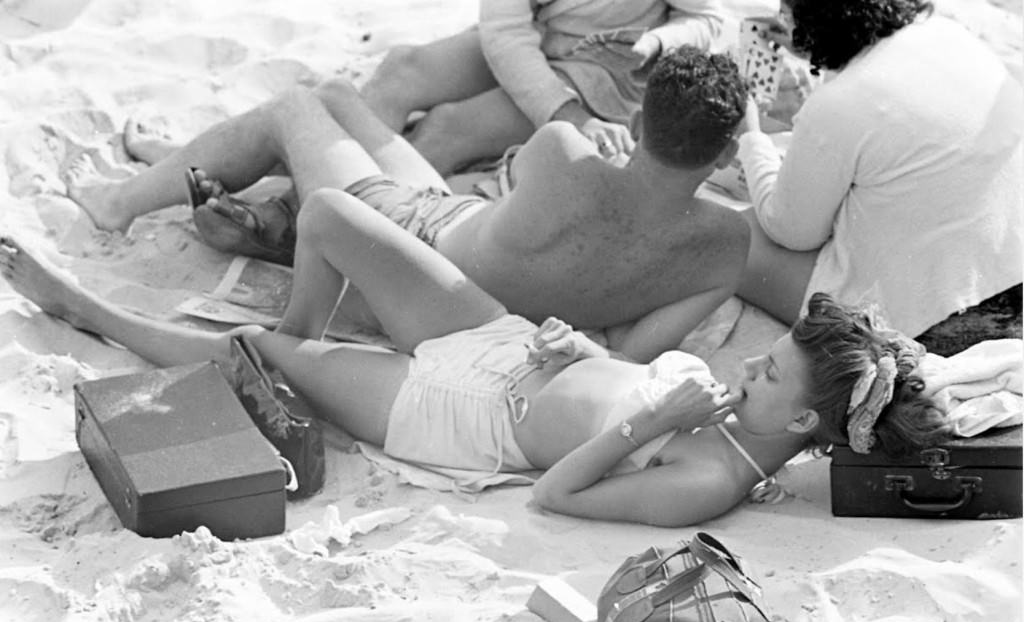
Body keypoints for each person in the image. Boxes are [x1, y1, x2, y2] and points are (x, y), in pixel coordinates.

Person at [0, 186, 950, 525]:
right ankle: (309, 344)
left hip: (461, 414)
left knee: (258, 345)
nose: (751, 367)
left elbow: (558, 495)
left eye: (770, 374)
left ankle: (80, 305)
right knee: (331, 216)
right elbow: (615, 372)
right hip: (503, 342)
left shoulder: (709, 476)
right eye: (767, 356)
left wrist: (651, 420)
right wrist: (577, 348)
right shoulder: (734, 412)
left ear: (800, 424)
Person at [67, 48, 750, 363]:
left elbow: (563, 202)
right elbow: (629, 350)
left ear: (634, 123)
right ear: (725, 157)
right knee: (340, 98)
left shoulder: (565, 149)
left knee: (296, 107)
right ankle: (229, 181)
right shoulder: (726, 248)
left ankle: (118, 201)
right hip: (467, 261)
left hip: (419, 239)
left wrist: (601, 152)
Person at [732, 0, 1024, 340]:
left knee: (733, 237)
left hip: (940, 324)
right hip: (1008, 276)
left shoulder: (838, 103)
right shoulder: (948, 34)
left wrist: (751, 137)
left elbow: (790, 231)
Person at [359, 0, 725, 175]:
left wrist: (657, 43)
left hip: (607, 71)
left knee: (448, 127)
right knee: (401, 69)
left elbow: (707, 18)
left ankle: (364, 227)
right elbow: (505, 33)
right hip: (536, 39)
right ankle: (327, 188)